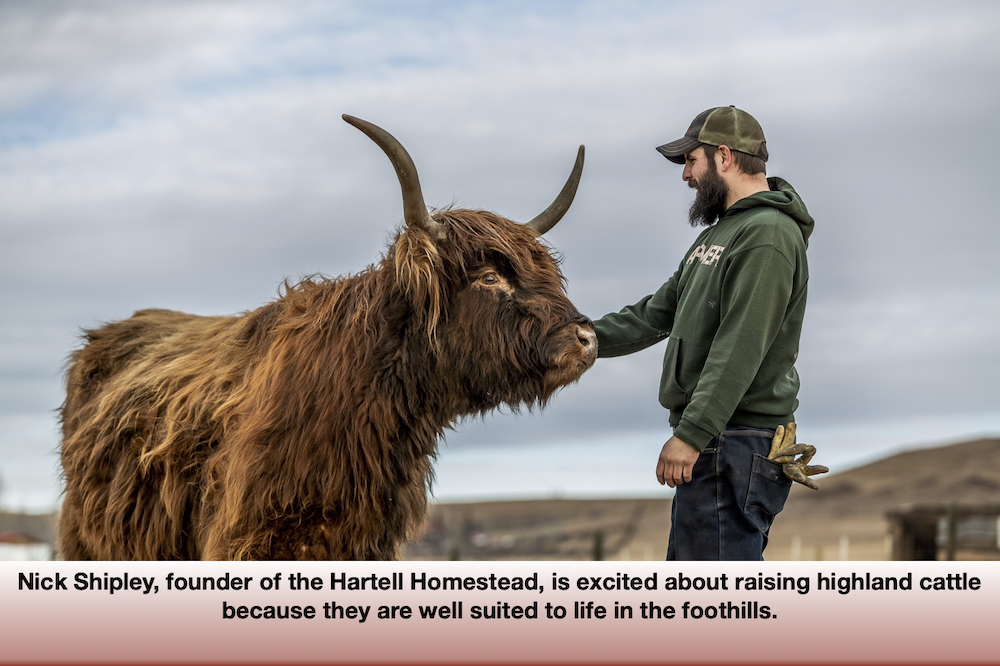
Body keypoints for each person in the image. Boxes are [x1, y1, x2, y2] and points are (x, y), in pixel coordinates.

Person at [593, 106, 814, 560]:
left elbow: (740, 345)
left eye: (691, 161)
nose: (686, 176)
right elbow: (657, 312)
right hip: (721, 441)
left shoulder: (768, 235)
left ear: (724, 157)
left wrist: (691, 434)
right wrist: (575, 338)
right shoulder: (721, 235)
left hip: (734, 441)